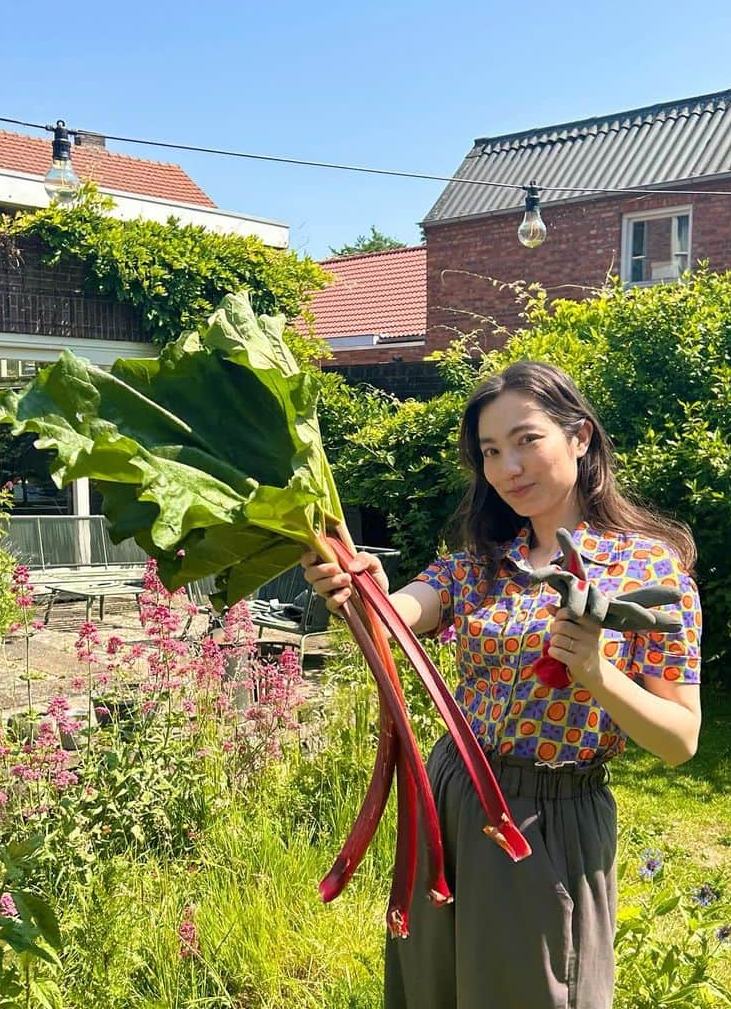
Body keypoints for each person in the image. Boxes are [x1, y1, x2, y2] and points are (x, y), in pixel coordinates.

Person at [301, 361, 702, 1009]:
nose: (507, 466)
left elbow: (680, 739)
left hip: (547, 822)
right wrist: (360, 589)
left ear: (580, 436)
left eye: (525, 440)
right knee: (435, 987)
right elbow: (411, 607)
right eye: (490, 451)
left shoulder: (649, 568)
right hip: (450, 800)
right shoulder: (485, 561)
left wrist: (598, 675)